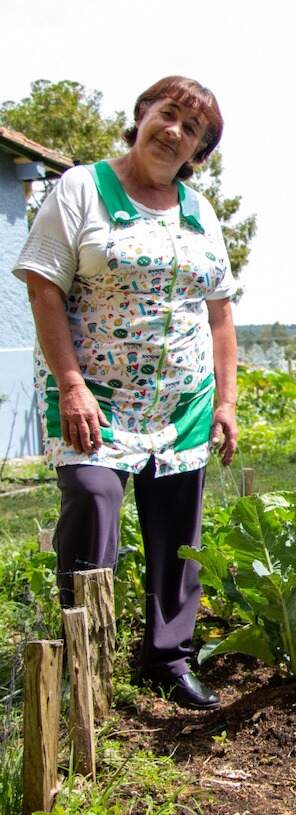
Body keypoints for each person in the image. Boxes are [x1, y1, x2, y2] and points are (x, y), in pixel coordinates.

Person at [12, 76, 237, 710]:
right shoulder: (82, 187)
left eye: (191, 130)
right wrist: (71, 383)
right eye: (168, 115)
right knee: (93, 495)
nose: (174, 132)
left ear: (196, 151)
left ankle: (167, 656)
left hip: (181, 399)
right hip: (98, 396)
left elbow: (220, 312)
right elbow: (43, 287)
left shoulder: (200, 211)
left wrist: (225, 401)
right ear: (142, 116)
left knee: (177, 529)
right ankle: (85, 654)